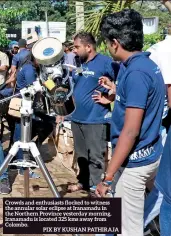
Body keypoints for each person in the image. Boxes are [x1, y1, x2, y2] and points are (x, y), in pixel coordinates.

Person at [95, 9, 165, 236]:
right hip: (150, 153)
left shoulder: (136, 72)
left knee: (128, 229)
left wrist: (106, 178)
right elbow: (141, 104)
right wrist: (115, 96)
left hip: (135, 163)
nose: (106, 47)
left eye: (106, 43)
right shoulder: (143, 64)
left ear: (115, 43)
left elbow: (131, 131)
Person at [64, 32, 119, 192]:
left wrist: (111, 97)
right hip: (77, 117)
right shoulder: (78, 63)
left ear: (88, 47)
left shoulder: (105, 62)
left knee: (95, 156)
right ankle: (83, 182)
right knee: (81, 154)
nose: (74, 50)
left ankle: (96, 189)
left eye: (76, 47)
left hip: (96, 119)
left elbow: (123, 81)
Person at [143, 25, 171, 233]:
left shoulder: (160, 49)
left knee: (163, 191)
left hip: (158, 128)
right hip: (159, 127)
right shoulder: (164, 49)